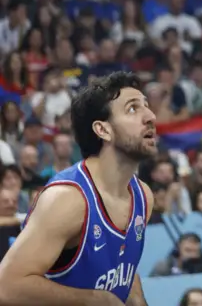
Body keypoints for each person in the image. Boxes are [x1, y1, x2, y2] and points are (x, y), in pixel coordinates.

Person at [0, 71, 156, 305]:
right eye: (133, 109)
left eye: (146, 106)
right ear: (103, 130)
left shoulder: (143, 196)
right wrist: (93, 300)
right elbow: (7, 287)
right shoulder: (69, 199)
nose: (151, 116)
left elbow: (121, 267)